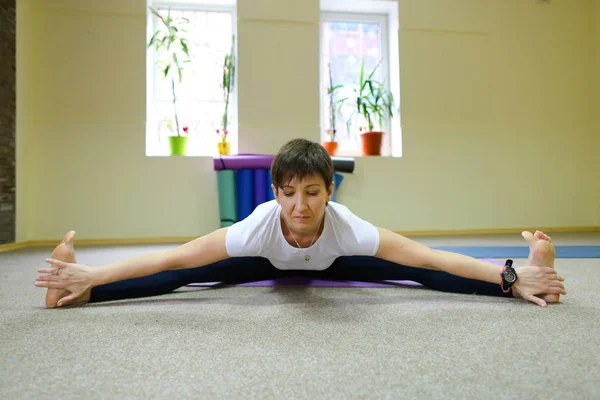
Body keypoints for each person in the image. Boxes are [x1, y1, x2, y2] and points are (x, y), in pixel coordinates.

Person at [35, 138, 566, 308]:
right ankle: (79, 292)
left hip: (336, 259)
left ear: (330, 192)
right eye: (289, 194)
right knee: (184, 279)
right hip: (264, 262)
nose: (300, 206)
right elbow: (172, 257)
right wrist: (95, 275)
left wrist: (512, 275)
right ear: (275, 194)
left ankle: (520, 287)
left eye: (312, 192)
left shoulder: (347, 228)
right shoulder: (258, 228)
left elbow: (430, 257)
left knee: (421, 277)